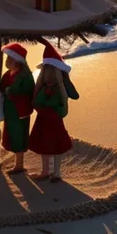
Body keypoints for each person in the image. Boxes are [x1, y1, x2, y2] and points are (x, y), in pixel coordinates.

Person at [28, 42, 77, 182]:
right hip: (43, 120)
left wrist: (65, 81)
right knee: (44, 146)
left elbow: (73, 95)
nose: (48, 76)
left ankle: (56, 173)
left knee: (56, 146)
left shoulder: (58, 90)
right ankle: (45, 171)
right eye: (45, 72)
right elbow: (37, 101)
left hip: (54, 121)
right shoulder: (43, 88)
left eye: (51, 72)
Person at [0, 43, 35, 173]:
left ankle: (19, 164)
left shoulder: (25, 76)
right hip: (10, 110)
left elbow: (28, 89)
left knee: (19, 135)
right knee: (11, 134)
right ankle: (17, 163)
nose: (6, 61)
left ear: (17, 61)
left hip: (20, 110)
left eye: (9, 58)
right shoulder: (8, 74)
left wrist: (11, 90)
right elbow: (2, 86)